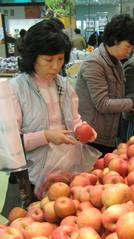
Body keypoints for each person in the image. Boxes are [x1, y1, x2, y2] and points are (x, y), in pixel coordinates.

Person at [2, 19, 97, 213]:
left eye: (60, 59)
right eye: (48, 60)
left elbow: (75, 120)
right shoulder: (15, 89)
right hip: (34, 177)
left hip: (67, 171)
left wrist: (83, 130)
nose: (55, 66)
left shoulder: (63, 84)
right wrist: (46, 136)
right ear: (32, 57)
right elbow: (9, 143)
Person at [75, 14, 134, 155]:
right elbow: (103, 104)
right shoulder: (94, 63)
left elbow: (118, 97)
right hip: (93, 137)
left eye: (132, 47)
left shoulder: (117, 63)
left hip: (110, 134)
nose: (130, 51)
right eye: (127, 46)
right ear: (114, 39)